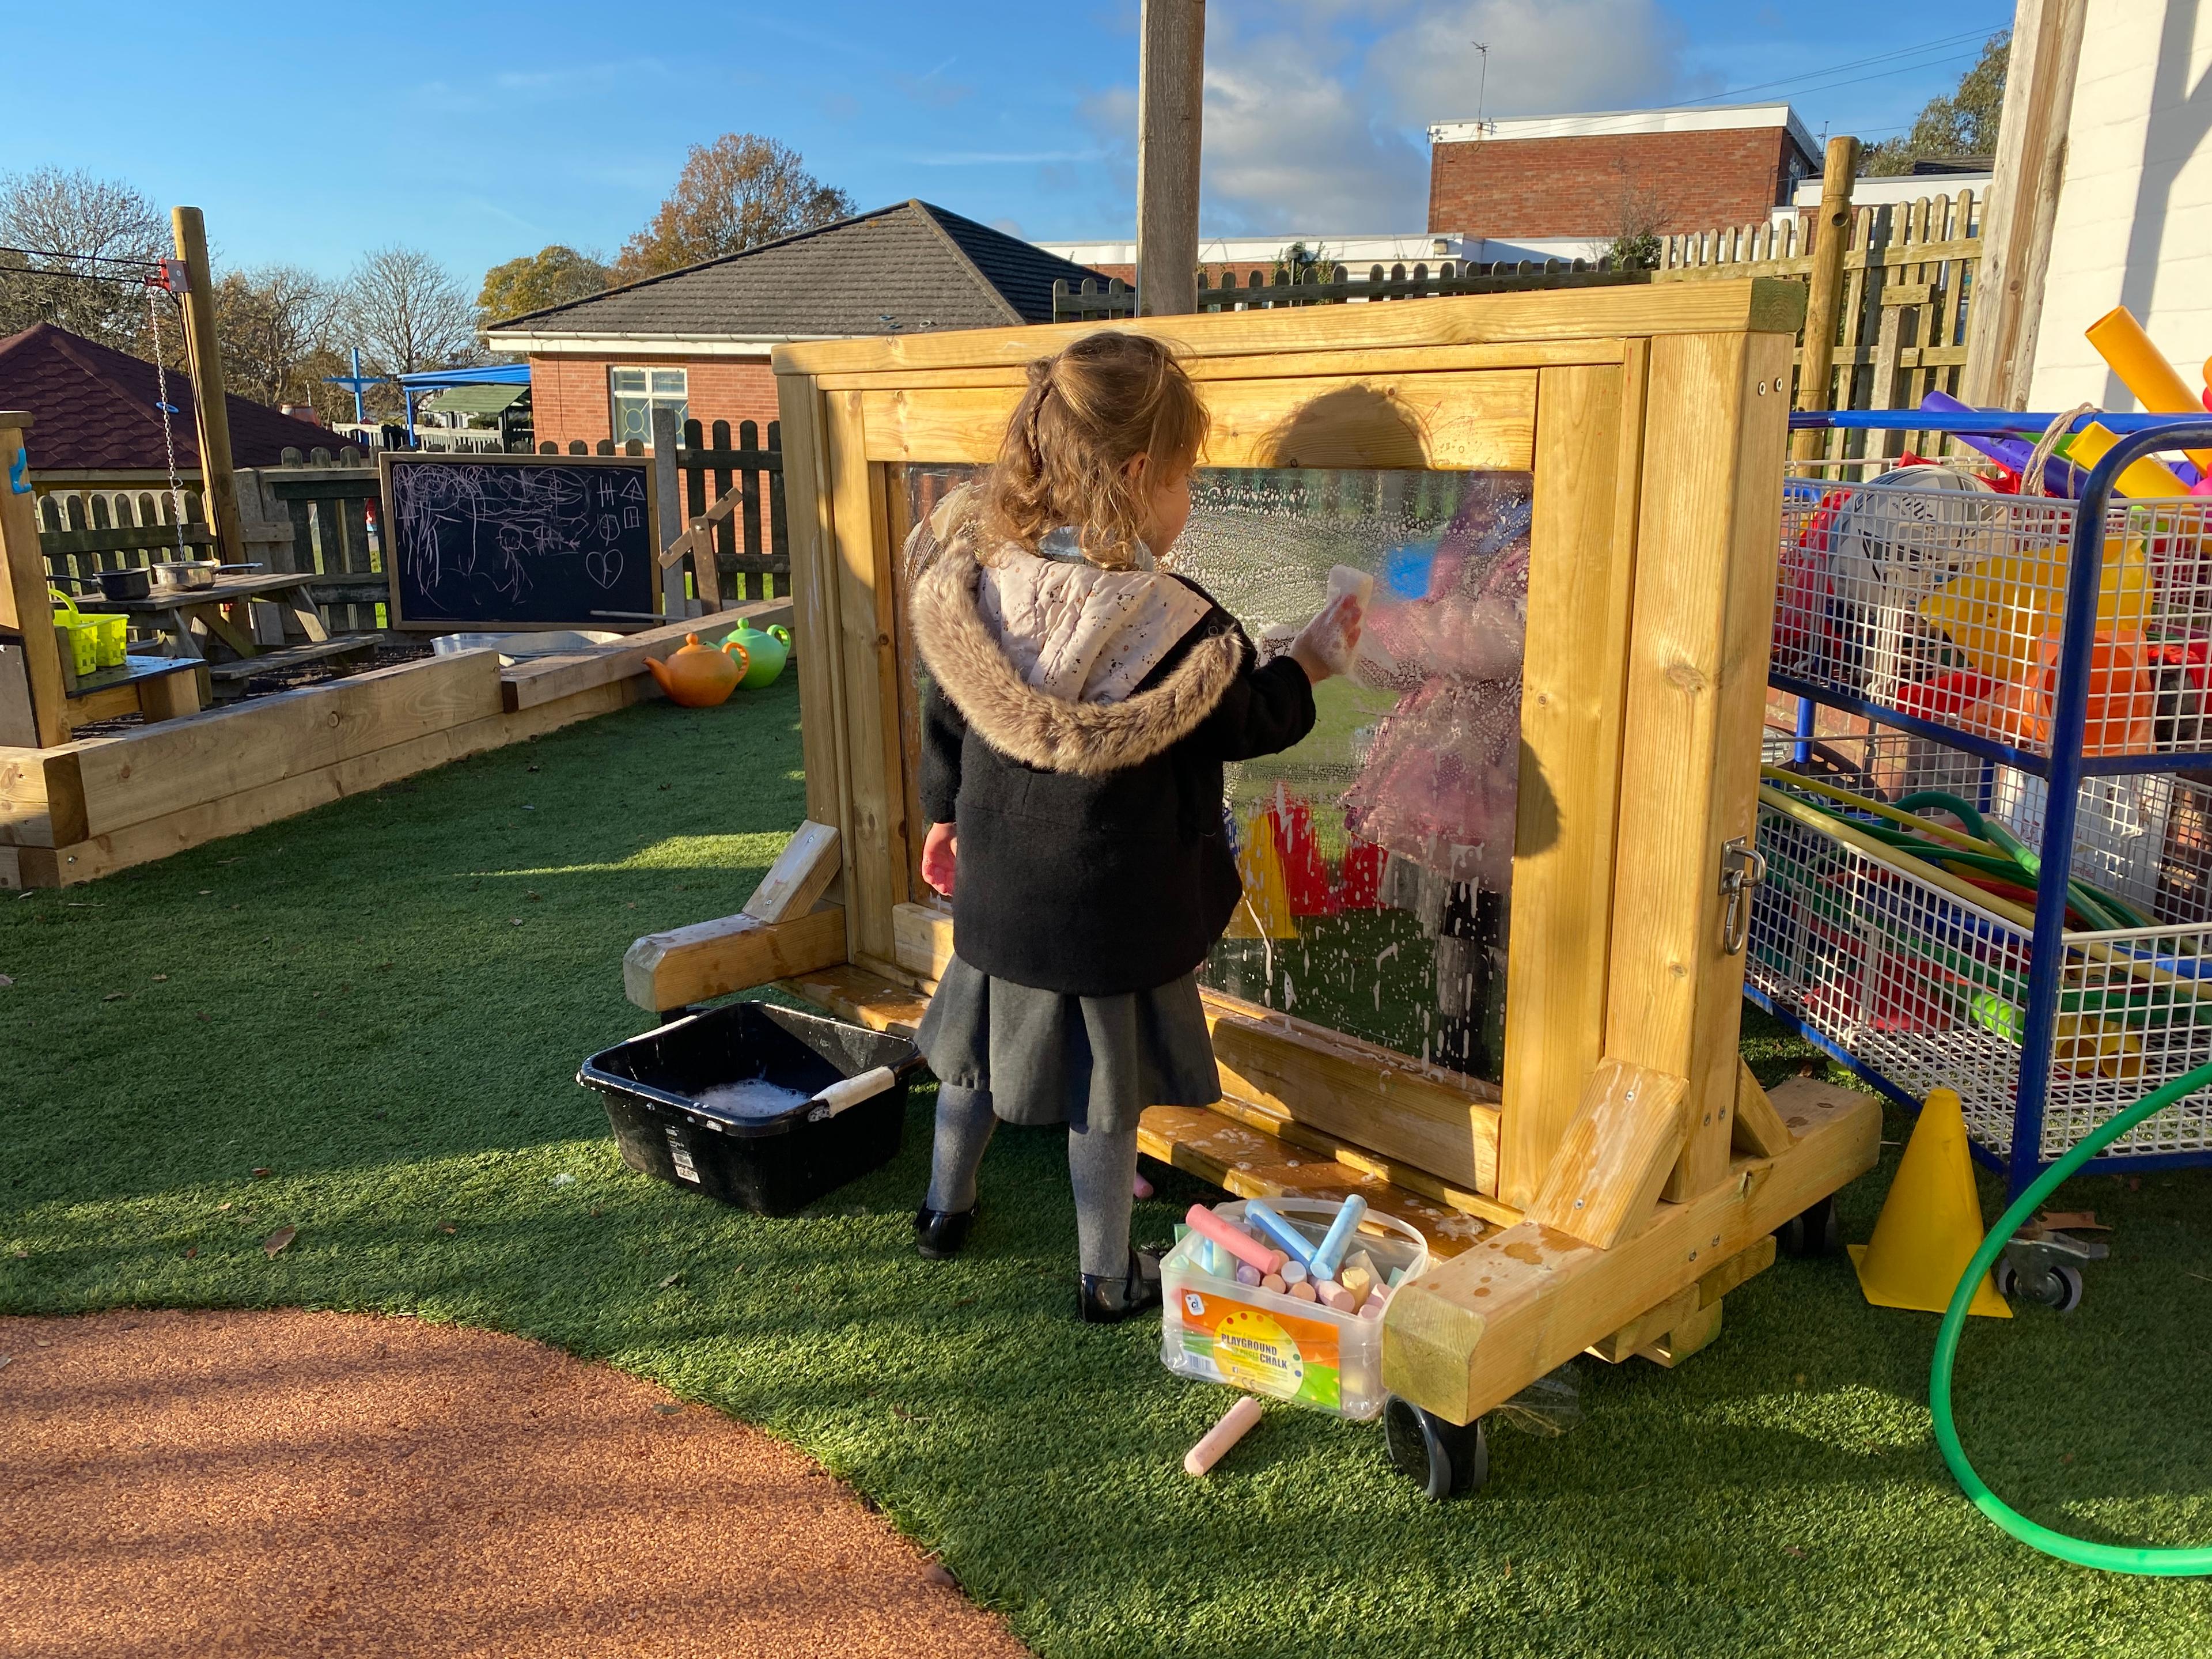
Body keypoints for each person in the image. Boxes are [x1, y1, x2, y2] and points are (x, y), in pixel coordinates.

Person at [904, 331, 1361, 1322]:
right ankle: (1105, 1277)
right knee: (1102, 1104)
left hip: (1004, 894)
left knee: (974, 1056)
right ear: (1141, 474)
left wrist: (943, 818)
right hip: (1112, 912)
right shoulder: (1178, 628)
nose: (1190, 497)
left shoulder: (985, 583)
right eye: (1189, 475)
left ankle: (945, 1208)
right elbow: (1252, 718)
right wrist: (1312, 661)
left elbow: (952, 710)